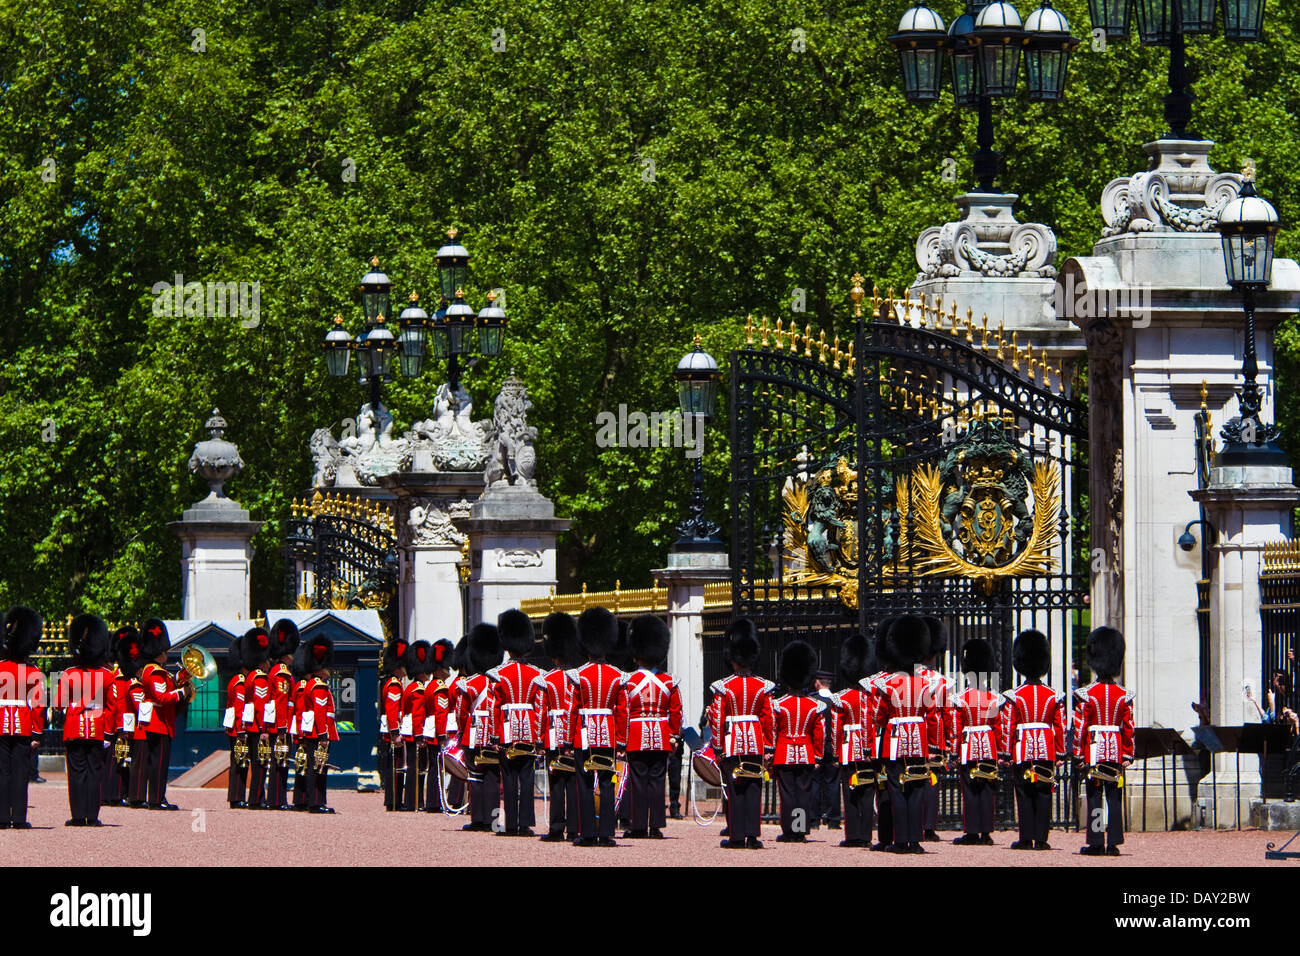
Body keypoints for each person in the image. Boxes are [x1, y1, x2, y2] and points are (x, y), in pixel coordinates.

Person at [874, 614, 937, 854]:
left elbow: (880, 717)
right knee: (917, 789)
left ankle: (900, 840)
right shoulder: (925, 684)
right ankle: (915, 839)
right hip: (918, 743)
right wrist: (932, 747)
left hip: (894, 741)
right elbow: (931, 718)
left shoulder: (887, 684)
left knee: (897, 791)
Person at [709, 618, 773, 849]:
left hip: (732, 743)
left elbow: (718, 719)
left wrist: (717, 747)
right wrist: (769, 748)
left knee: (735, 788)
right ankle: (753, 835)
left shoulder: (723, 687)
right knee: (754, 787)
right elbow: (769, 719)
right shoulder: (763, 686)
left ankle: (736, 836)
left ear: (733, 659)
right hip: (755, 743)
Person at [567, 607, 626, 847]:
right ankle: (607, 833)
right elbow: (622, 711)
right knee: (606, 781)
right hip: (609, 735)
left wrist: (569, 741)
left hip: (584, 735)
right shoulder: (617, 675)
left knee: (584, 782)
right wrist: (621, 741)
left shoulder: (578, 675)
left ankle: (588, 832)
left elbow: (573, 709)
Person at [1003, 629, 1066, 851]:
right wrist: (1060, 753)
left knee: (1024, 792)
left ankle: (1026, 837)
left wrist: (1006, 753)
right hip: (1047, 749)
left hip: (1022, 750)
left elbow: (1008, 726)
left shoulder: (1015, 695)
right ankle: (1041, 838)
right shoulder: (1054, 695)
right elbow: (1059, 726)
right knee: (1043, 791)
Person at [619, 614, 681, 839]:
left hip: (635, 736)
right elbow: (676, 712)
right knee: (657, 781)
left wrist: (621, 740)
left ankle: (638, 826)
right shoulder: (669, 682)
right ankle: (655, 825)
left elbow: (624, 712)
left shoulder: (628, 681)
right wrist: (673, 736)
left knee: (637, 781)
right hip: (661, 736)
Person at [1075, 626, 1134, 857]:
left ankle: (1097, 840)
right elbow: (1128, 727)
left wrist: (1079, 754)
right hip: (1116, 748)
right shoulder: (1124, 695)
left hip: (1095, 749)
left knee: (1095, 795)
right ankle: (1115, 841)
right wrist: (1128, 754)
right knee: (1114, 794)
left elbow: (1081, 727)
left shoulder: (1086, 694)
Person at [57, 614, 114, 827]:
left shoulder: (68, 674)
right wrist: (108, 732)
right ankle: (93, 816)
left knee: (77, 773)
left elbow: (59, 705)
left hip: (74, 727)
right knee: (94, 772)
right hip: (98, 727)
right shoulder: (107, 675)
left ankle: (78, 816)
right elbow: (112, 707)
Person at [491, 609, 544, 836]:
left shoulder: (498, 674)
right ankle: (525, 824)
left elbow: (494, 705)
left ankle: (511, 824)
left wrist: (493, 735)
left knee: (509, 776)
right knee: (527, 775)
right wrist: (540, 735)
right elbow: (540, 707)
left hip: (507, 729)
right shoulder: (536, 674)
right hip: (530, 730)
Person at [134, 619, 193, 810]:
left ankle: (159, 796)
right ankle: (155, 799)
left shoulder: (160, 672)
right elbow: (161, 697)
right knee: (158, 763)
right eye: (164, 651)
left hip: (162, 722)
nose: (166, 654)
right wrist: (181, 693)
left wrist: (181, 678)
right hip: (158, 723)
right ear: (158, 652)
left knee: (160, 762)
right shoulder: (154, 672)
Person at [771, 640, 825, 843]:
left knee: (787, 794)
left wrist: (771, 752)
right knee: (803, 794)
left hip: (784, 752)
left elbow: (773, 731)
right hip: (806, 753)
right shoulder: (814, 706)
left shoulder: (779, 705)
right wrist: (818, 755)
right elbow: (820, 733)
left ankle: (789, 831)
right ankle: (800, 830)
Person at [950, 638, 1000, 846]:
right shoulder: (995, 698)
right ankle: (986, 832)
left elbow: (956, 728)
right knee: (987, 788)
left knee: (969, 790)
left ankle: (971, 831)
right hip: (988, 746)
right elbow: (999, 728)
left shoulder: (961, 699)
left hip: (968, 746)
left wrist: (954, 752)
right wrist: (1000, 752)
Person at [829, 633, 876, 848]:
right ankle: (866, 834)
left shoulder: (842, 698)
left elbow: (836, 728)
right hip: (869, 749)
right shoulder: (873, 696)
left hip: (849, 748)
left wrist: (837, 753)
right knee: (867, 791)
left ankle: (853, 835)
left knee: (850, 793)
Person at [0, 607, 45, 829]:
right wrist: (37, 731)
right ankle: (18, 818)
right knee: (20, 773)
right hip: (24, 725)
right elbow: (37, 705)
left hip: (0, 725)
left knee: (2, 772)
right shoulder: (33, 672)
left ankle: (1, 817)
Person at [537, 612, 580, 842]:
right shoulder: (579, 676)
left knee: (556, 782)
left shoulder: (547, 679)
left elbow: (541, 712)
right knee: (573, 781)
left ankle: (556, 827)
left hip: (553, 735)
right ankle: (573, 827)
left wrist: (540, 741)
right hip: (573, 735)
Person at [455, 622, 503, 832]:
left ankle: (478, 819)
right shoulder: (497, 682)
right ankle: (493, 821)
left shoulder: (469, 684)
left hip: (473, 733)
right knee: (493, 776)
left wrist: (460, 732)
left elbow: (460, 713)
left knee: (475, 776)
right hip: (494, 734)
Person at [863, 617, 899, 851]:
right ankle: (904, 834)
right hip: (905, 741)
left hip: (883, 743)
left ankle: (887, 837)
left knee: (885, 791)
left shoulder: (874, 683)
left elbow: (871, 717)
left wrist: (867, 746)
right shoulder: (915, 681)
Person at [919, 615, 953, 842]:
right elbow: (948, 713)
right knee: (932, 781)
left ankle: (914, 822)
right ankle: (929, 825)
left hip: (910, 734)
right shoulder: (943, 681)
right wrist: (949, 740)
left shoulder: (905, 678)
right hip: (935, 736)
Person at [296, 634, 338, 813]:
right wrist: (323, 735)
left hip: (312, 731)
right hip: (319, 731)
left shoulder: (310, 684)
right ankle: (316, 802)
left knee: (315, 766)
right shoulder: (319, 686)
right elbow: (320, 713)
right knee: (318, 768)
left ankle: (314, 801)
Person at [102, 626, 138, 807]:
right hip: (120, 724)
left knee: (121, 758)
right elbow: (118, 704)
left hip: (123, 722)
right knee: (119, 759)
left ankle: (116, 793)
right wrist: (122, 727)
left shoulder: (122, 674)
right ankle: (115, 794)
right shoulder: (118, 676)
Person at [266, 619, 299, 810]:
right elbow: (281, 701)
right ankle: (277, 799)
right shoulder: (282, 673)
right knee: (280, 761)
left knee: (280, 760)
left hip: (281, 723)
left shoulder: (277, 670)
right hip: (281, 724)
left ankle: (276, 798)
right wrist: (282, 727)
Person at [240, 626, 273, 809]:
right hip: (258, 727)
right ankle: (256, 799)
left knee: (257, 763)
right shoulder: (260, 678)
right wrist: (265, 729)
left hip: (251, 726)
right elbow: (261, 706)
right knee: (261, 764)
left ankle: (255, 798)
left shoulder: (250, 676)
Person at [421, 639, 455, 812]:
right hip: (437, 732)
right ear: (438, 668)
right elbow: (441, 715)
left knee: (433, 767)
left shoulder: (430, 686)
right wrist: (443, 736)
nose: (448, 670)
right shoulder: (440, 688)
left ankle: (432, 801)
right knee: (437, 767)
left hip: (430, 730)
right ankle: (435, 802)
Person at [400, 641, 432, 812]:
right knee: (416, 768)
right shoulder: (419, 689)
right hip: (415, 732)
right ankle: (414, 801)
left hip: (410, 731)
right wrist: (420, 736)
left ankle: (411, 800)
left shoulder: (410, 687)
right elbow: (418, 714)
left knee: (412, 767)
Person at [378, 638, 408, 811]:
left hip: (391, 729)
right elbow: (392, 711)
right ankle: (394, 801)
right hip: (393, 731)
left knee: (394, 766)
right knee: (396, 767)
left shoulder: (391, 682)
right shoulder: (394, 684)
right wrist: (395, 732)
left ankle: (393, 800)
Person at [812, 669, 841, 831]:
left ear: (818, 682)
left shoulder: (813, 700)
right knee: (833, 783)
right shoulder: (837, 701)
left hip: (817, 746)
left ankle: (814, 819)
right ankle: (833, 819)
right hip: (833, 745)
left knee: (815, 782)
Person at [225, 634, 249, 809]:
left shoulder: (235, 680)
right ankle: (236, 797)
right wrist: (242, 729)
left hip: (234, 727)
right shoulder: (240, 682)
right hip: (238, 729)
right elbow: (240, 707)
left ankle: (236, 796)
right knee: (239, 763)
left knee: (238, 762)